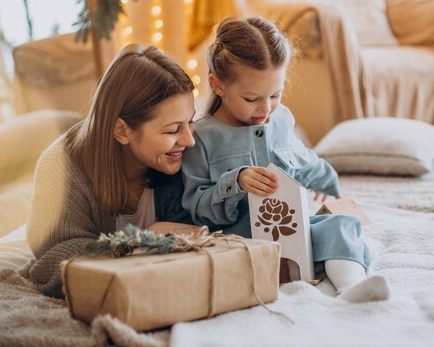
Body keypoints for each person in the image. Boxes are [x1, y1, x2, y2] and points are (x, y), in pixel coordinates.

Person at [182, 17, 389, 303]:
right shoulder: (201, 138)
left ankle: (351, 287)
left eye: (275, 95)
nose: (265, 108)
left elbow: (303, 161)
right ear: (217, 85)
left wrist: (332, 187)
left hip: (293, 230)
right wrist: (236, 181)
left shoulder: (281, 119)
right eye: (252, 98)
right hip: (242, 240)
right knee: (320, 237)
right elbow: (195, 208)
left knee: (339, 225)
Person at [27, 44, 200, 299]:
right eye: (173, 130)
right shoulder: (61, 167)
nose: (189, 140)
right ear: (122, 131)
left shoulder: (183, 157)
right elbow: (53, 259)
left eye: (191, 122)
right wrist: (141, 241)